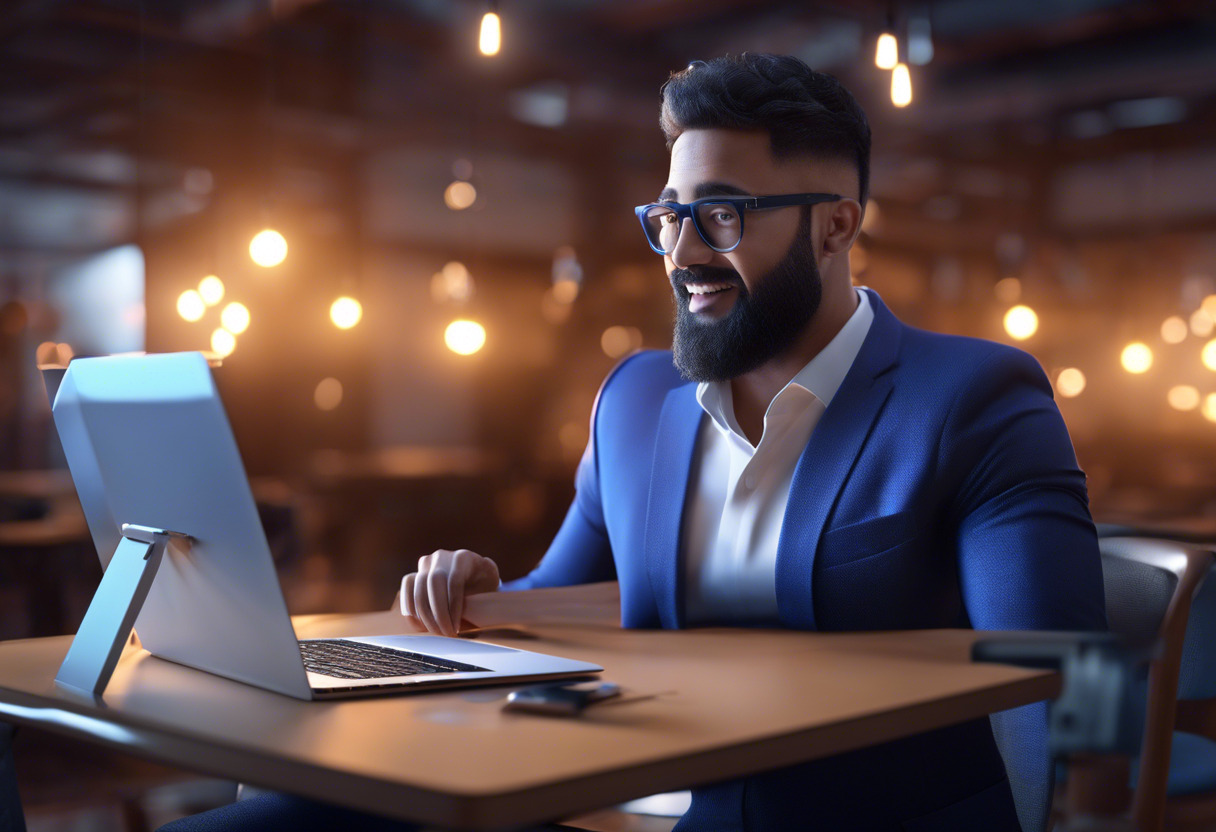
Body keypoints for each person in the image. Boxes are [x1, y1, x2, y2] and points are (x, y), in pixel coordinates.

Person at [161, 53, 1105, 832]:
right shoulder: (636, 401)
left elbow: (1068, 667)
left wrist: (1079, 817)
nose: (686, 251)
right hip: (613, 798)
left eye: (723, 215)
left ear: (835, 225)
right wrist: (474, 595)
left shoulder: (973, 395)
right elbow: (557, 603)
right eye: (669, 217)